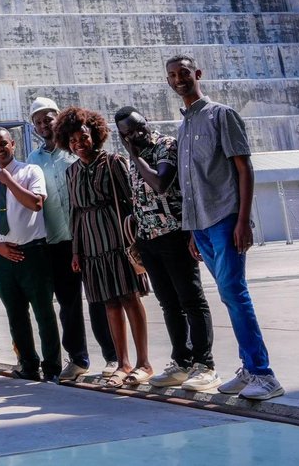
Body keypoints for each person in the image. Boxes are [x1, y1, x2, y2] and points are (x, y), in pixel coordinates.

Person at [166, 55, 283, 400]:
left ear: (197, 74)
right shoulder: (184, 126)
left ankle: (264, 374)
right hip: (200, 226)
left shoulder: (222, 114)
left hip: (226, 219)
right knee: (229, 296)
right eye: (172, 75)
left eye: (184, 72)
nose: (178, 79)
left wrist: (243, 220)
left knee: (235, 292)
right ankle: (249, 369)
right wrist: (191, 230)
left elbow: (244, 169)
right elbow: (190, 184)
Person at [115, 107, 218, 392]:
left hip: (174, 234)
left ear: (147, 122)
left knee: (191, 301)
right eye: (129, 133)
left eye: (140, 127)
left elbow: (161, 183)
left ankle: (204, 364)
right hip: (149, 239)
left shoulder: (166, 146)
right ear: (121, 136)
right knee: (168, 304)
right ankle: (181, 362)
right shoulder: (132, 158)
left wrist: (134, 155)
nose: (138, 134)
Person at [56, 107, 153, 388]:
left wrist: (137, 241)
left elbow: (131, 203)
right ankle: (122, 363)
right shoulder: (72, 171)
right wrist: (76, 251)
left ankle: (143, 362)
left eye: (83, 138)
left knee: (130, 298)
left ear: (94, 135)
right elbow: (74, 212)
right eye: (73, 141)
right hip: (91, 246)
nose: (78, 144)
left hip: (117, 241)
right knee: (109, 303)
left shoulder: (113, 162)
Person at [27, 97, 117, 381]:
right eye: (39, 121)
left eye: (48, 118)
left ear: (59, 118)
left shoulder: (77, 150)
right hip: (56, 242)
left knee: (99, 300)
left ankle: (113, 357)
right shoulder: (33, 161)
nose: (44, 125)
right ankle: (77, 359)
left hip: (88, 237)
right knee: (68, 305)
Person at [0, 129, 60, 382]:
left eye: (3, 144)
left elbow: (35, 203)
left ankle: (52, 366)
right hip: (2, 257)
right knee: (15, 313)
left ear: (12, 144)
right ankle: (28, 364)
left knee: (43, 312)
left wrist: (9, 181)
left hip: (32, 252)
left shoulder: (30, 171)